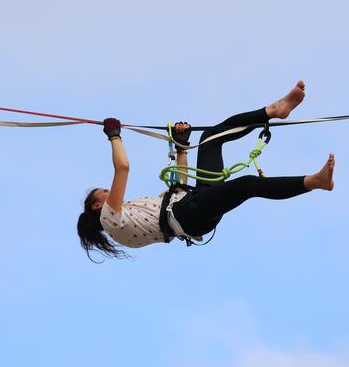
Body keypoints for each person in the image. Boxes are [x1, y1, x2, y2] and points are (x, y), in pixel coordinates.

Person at [76, 81, 335, 261]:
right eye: (105, 193)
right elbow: (122, 167)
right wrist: (114, 135)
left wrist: (182, 148)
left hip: (190, 204)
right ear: (97, 206)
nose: (112, 194)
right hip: (189, 216)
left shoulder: (129, 214)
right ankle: (314, 182)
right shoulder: (110, 219)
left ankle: (273, 110)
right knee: (247, 185)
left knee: (212, 137)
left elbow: (177, 190)